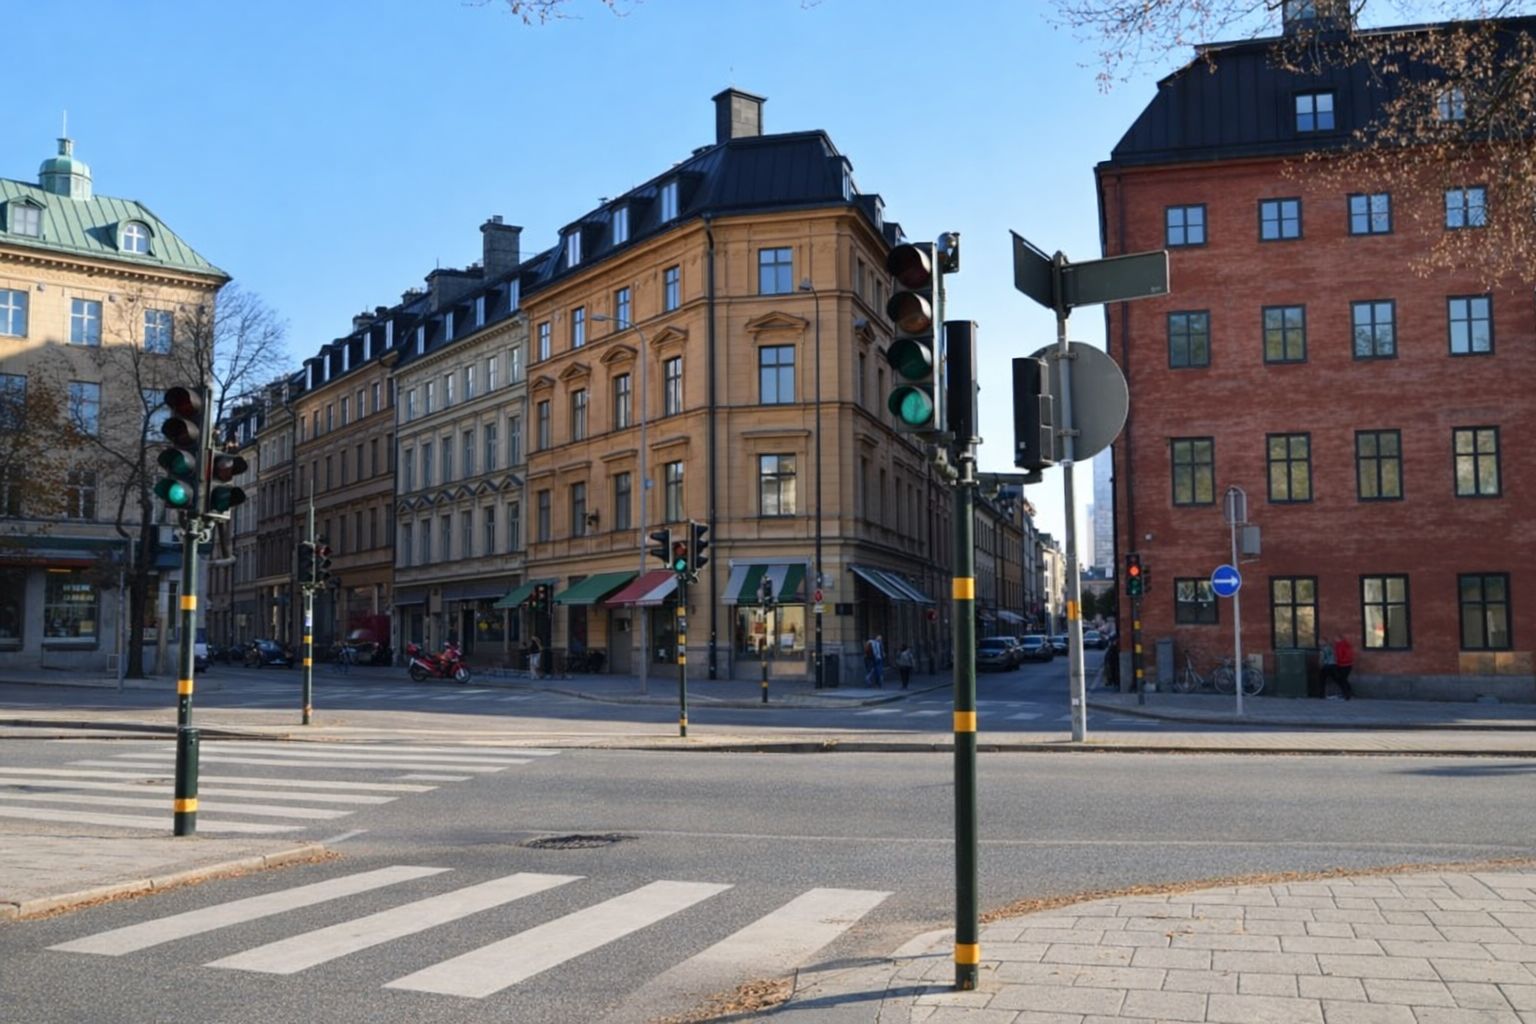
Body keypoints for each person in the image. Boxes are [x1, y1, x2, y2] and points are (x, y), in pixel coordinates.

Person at [1332, 633, 1355, 700]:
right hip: (1348, 664)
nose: (1334, 640)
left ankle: (1346, 694)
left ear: (1339, 639)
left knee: (1342, 679)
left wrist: (1338, 661)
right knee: (1343, 679)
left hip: (1342, 664)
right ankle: (1348, 692)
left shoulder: (1339, 645)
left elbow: (1339, 655)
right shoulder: (1346, 644)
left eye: (1335, 638)